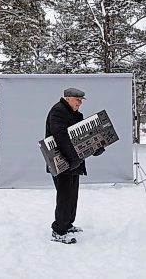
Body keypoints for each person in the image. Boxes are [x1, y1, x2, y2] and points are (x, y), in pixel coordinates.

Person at [45, 87, 105, 244]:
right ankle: (58, 231)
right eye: (77, 100)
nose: (80, 103)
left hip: (73, 162)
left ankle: (67, 224)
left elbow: (82, 138)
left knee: (72, 195)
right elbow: (61, 139)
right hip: (62, 162)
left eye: (81, 101)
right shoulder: (58, 112)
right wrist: (76, 157)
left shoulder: (73, 114)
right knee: (65, 197)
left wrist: (95, 147)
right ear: (67, 98)